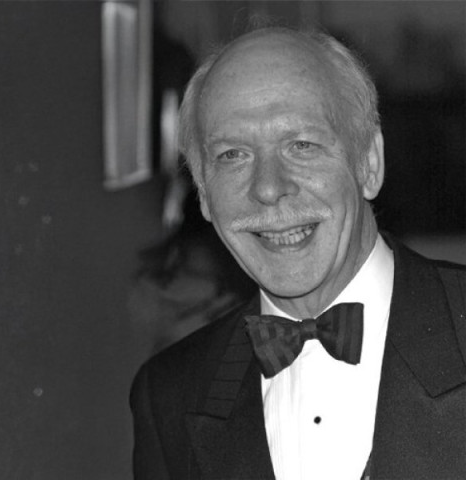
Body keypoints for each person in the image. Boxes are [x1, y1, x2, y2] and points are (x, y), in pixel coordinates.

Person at [130, 26, 466, 479]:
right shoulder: (169, 396)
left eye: (301, 145)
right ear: (204, 193)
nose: (269, 188)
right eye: (233, 155)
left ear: (368, 162)